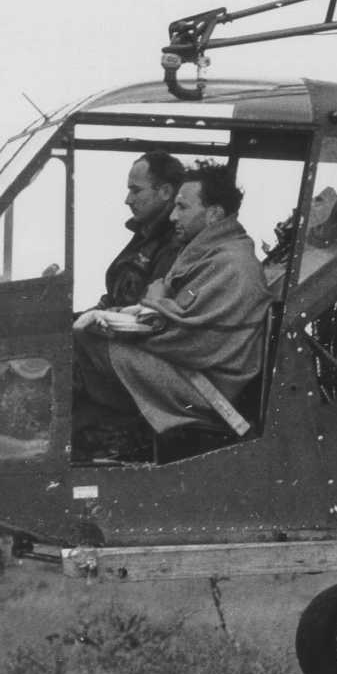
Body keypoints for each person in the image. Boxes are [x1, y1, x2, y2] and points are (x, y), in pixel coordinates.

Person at [72, 165, 273, 463]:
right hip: (191, 371)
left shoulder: (232, 265)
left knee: (86, 342)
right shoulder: (210, 255)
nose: (172, 216)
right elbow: (177, 316)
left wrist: (135, 313)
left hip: (205, 388)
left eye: (182, 207)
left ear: (214, 214)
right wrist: (146, 308)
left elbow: (186, 336)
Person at [102, 150, 188, 307]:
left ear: (165, 192)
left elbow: (144, 312)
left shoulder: (174, 243)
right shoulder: (146, 234)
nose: (128, 200)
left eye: (136, 190)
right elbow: (115, 299)